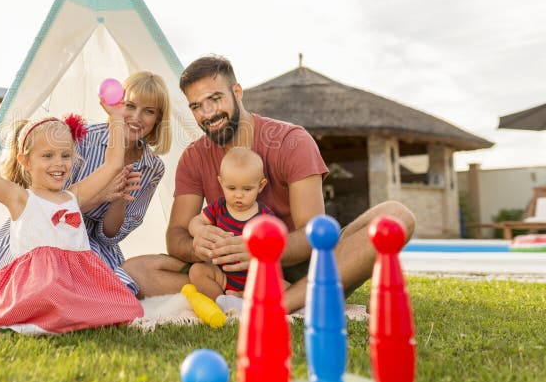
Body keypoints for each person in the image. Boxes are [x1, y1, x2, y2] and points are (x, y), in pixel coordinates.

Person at [122, 55, 416, 312]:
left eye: (215, 99)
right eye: (197, 106)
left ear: (237, 92)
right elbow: (176, 235)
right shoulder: (194, 157)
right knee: (135, 271)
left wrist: (262, 251)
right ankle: (279, 299)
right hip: (228, 271)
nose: (208, 113)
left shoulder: (292, 141)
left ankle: (282, 302)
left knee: (396, 216)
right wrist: (200, 247)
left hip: (294, 267)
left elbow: (313, 235)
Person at [0, 93, 142, 334]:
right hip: (37, 285)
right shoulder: (20, 198)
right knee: (49, 292)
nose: (59, 163)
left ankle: (73, 311)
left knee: (124, 303)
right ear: (25, 161)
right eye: (47, 155)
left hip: (77, 282)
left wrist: (116, 117)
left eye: (65, 155)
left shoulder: (74, 197)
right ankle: (56, 314)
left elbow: (113, 163)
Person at [67, 71, 172, 295]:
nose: (136, 117)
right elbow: (53, 208)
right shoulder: (86, 139)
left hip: (98, 246)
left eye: (149, 111)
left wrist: (119, 199)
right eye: (131, 106)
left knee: (110, 291)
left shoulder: (153, 167)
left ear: (157, 120)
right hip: (60, 231)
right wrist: (102, 194)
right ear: (118, 104)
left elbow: (110, 235)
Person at [187, 147, 276, 301]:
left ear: (260, 186)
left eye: (247, 189)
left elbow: (276, 243)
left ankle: (246, 298)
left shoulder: (265, 216)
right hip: (224, 276)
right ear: (221, 183)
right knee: (197, 271)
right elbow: (196, 221)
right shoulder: (219, 207)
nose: (238, 195)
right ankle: (223, 301)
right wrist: (200, 230)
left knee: (284, 286)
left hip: (256, 278)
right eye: (231, 188)